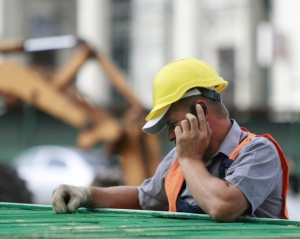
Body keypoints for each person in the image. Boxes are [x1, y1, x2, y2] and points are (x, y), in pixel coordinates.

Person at [52, 58, 289, 222]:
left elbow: (223, 207)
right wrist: (87, 195)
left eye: (172, 124)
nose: (170, 136)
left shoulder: (259, 152)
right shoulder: (180, 159)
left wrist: (190, 158)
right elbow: (143, 199)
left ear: (201, 112)